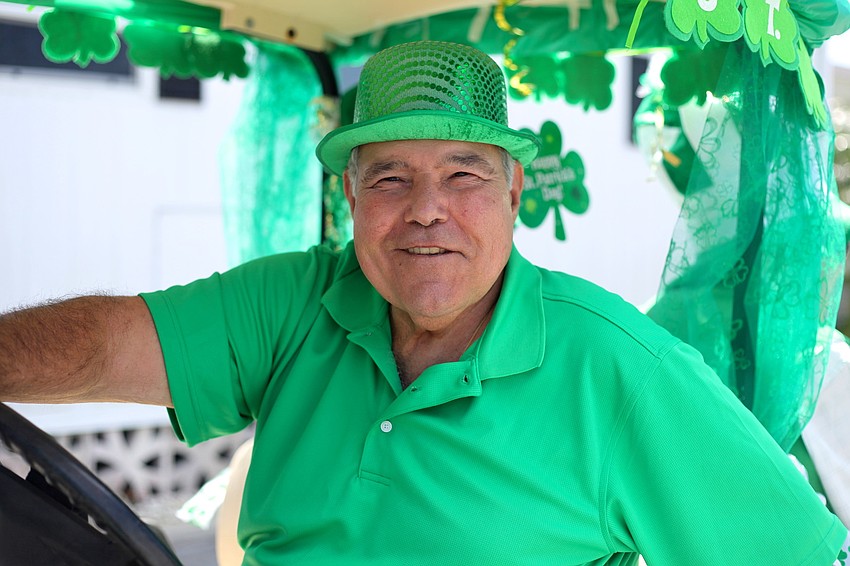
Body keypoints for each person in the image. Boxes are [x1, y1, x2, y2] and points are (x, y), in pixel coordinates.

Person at [0, 40, 846, 565]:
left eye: (462, 174)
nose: (425, 209)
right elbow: (107, 343)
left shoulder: (627, 374)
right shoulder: (300, 299)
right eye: (390, 177)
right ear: (353, 198)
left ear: (516, 190)